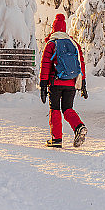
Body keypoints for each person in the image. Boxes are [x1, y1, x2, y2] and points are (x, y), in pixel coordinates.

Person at [39, 13, 88, 148]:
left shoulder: (51, 44)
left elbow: (45, 66)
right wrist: (82, 83)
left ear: (54, 28)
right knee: (67, 108)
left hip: (55, 83)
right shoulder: (73, 44)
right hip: (71, 83)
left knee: (55, 109)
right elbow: (80, 63)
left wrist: (43, 85)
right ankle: (79, 126)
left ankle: (56, 139)